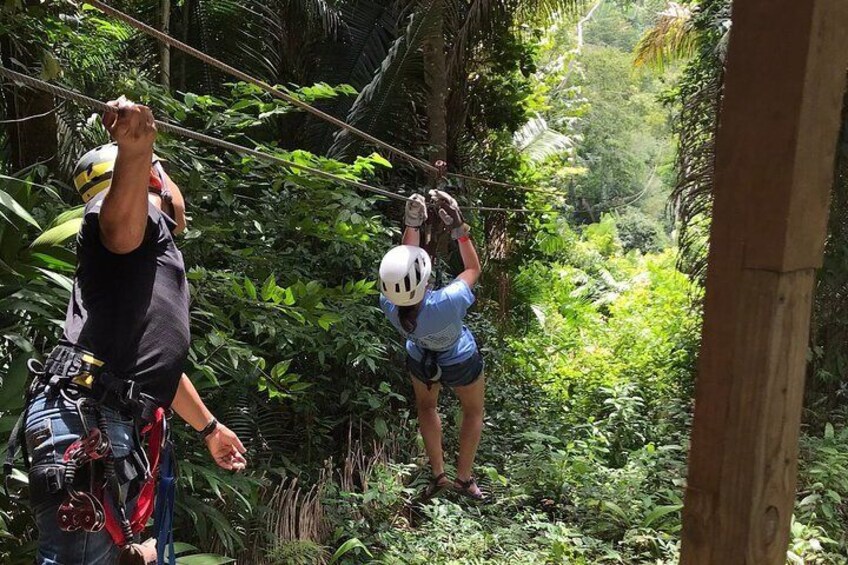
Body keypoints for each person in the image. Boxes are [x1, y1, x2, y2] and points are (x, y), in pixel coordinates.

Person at [12, 97, 247, 564]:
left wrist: (210, 427)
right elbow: (121, 226)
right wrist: (138, 153)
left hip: (100, 415)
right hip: (90, 418)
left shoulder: (143, 262)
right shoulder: (130, 222)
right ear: (154, 183)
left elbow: (155, 367)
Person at [378, 190, 486, 500]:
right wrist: (459, 230)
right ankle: (464, 479)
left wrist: (413, 225)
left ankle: (440, 475)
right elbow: (473, 270)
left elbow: (403, 265)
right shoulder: (447, 302)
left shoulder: (389, 304)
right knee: (473, 412)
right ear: (426, 281)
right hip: (459, 359)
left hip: (420, 359)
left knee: (427, 408)